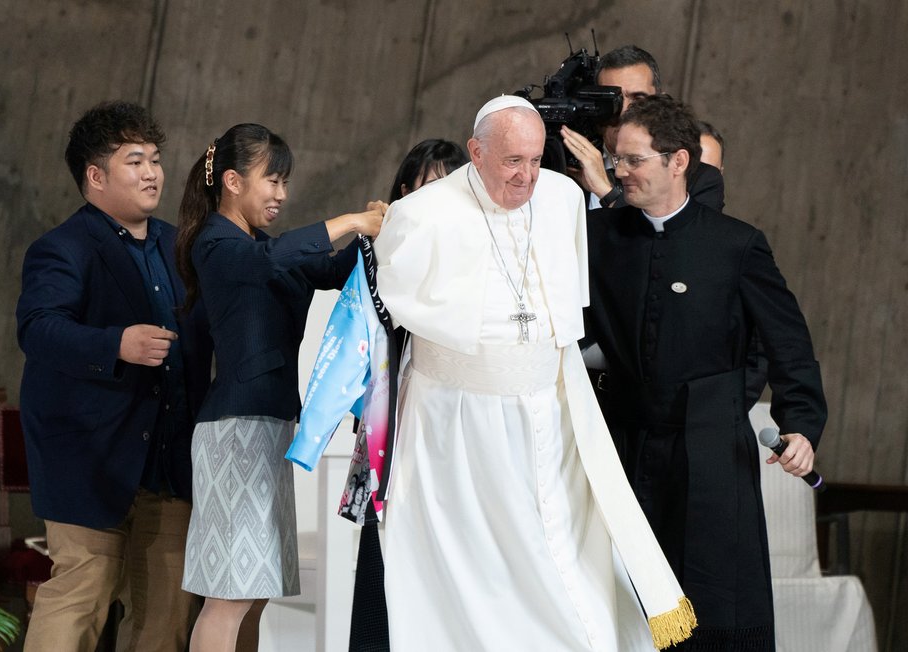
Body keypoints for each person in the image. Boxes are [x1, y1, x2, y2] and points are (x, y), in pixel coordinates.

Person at [371, 96, 696, 651]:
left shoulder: (563, 197)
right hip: (457, 428)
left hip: (549, 418)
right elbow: (398, 304)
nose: (526, 177)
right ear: (475, 152)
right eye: (511, 161)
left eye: (535, 160)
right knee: (474, 572)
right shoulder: (422, 213)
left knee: (561, 555)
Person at [582, 94, 827, 650]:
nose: (619, 172)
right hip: (625, 447)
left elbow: (789, 344)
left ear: (677, 161)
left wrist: (802, 425)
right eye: (616, 159)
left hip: (713, 453)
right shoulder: (600, 239)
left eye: (633, 160)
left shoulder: (736, 245)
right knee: (624, 604)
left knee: (717, 606)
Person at [174, 123, 383, 652]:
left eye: (285, 182)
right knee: (228, 598)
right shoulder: (216, 244)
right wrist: (353, 220)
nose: (282, 195)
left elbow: (332, 268)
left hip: (266, 429)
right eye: (273, 180)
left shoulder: (264, 247)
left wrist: (382, 231)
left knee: (256, 591)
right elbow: (273, 261)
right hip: (234, 433)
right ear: (232, 181)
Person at [16, 100, 213, 651]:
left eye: (154, 158)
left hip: (168, 465)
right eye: (135, 161)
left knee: (166, 616)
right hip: (91, 459)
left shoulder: (184, 247)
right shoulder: (62, 249)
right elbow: (38, 329)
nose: (152, 172)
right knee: (81, 598)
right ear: (95, 176)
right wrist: (116, 344)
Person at [349, 137, 468, 652]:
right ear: (401, 195)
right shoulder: (379, 253)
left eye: (452, 185)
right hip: (394, 430)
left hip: (459, 435)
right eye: (427, 186)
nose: (440, 198)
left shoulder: (486, 259)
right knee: (385, 558)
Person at [560, 44, 725, 211]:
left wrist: (606, 191)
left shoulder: (700, 179)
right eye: (612, 100)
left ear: (660, 103)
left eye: (638, 98)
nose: (624, 111)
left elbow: (684, 236)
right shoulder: (566, 166)